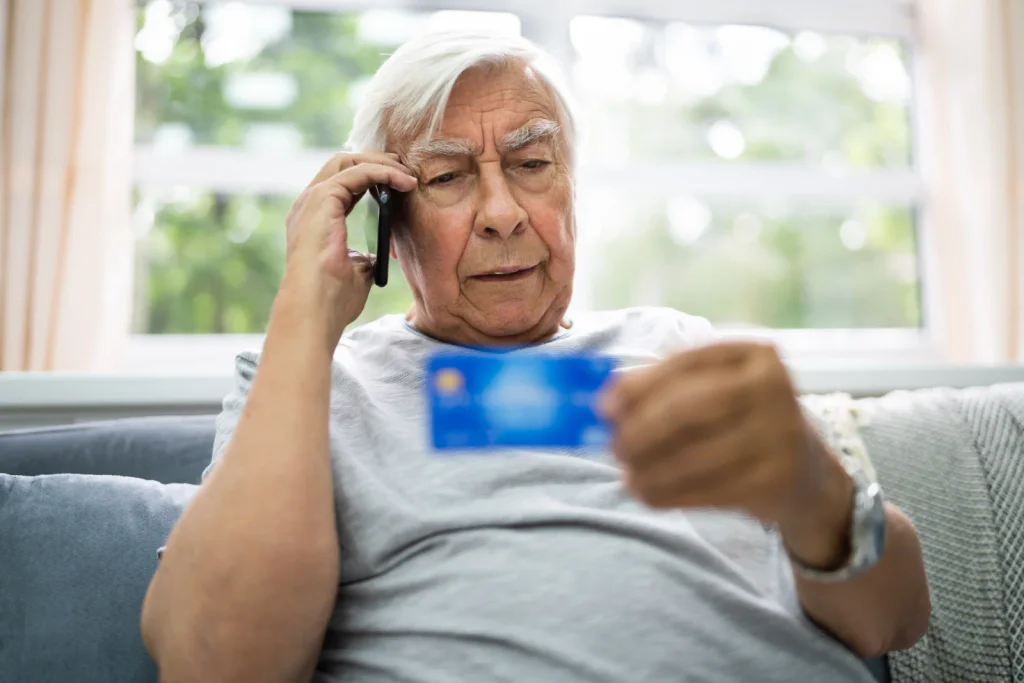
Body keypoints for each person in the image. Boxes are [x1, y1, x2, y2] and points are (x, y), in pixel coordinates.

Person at [140, 30, 930, 683]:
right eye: (447, 176)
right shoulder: (307, 379)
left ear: (571, 188)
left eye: (531, 164)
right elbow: (219, 667)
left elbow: (890, 619)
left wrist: (812, 488)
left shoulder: (680, 346)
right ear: (386, 219)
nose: (503, 213)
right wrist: (303, 315)